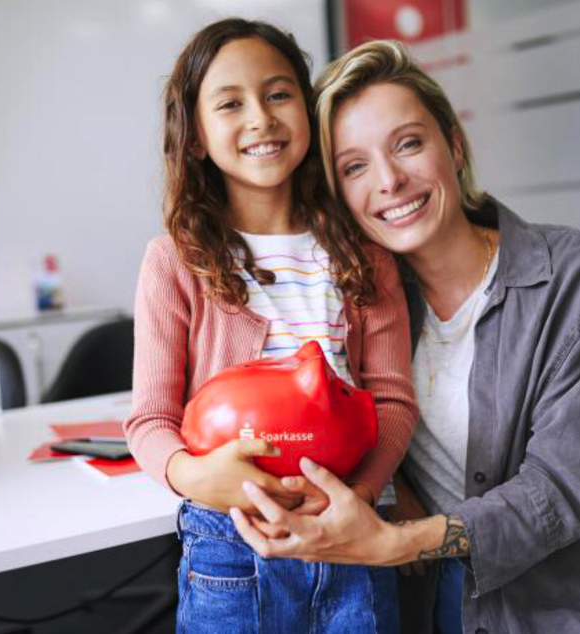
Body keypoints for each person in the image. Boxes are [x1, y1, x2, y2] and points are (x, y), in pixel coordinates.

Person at [230, 40, 580, 634]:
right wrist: (395, 486)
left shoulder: (577, 274)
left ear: (453, 146)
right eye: (354, 166)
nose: (390, 181)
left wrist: (398, 541)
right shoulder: (359, 305)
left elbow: (560, 490)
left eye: (408, 143)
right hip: (452, 598)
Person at [123, 22, 417, 634]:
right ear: (197, 137)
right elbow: (149, 419)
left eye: (279, 94)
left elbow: (390, 398)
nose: (260, 117)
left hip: (353, 533)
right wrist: (195, 475)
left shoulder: (365, 253)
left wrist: (359, 495)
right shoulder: (174, 260)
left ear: (308, 112)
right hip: (230, 541)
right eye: (230, 103)